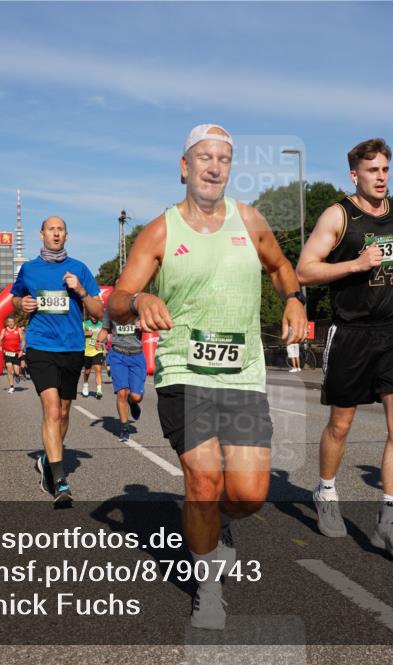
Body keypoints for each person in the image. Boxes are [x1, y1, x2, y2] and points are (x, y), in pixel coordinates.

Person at [108, 124, 307, 630]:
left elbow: (283, 267)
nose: (214, 167)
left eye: (223, 159)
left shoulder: (249, 220)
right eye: (204, 158)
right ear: (184, 166)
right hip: (183, 371)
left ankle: (219, 527)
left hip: (241, 375)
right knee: (202, 480)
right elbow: (114, 302)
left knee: (247, 494)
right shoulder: (160, 230)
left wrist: (294, 300)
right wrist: (140, 299)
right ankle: (207, 584)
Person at [296, 138, 393, 558]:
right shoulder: (339, 215)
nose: (382, 177)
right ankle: (326, 491)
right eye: (373, 171)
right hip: (350, 332)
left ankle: (389, 521)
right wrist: (355, 264)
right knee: (341, 425)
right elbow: (306, 269)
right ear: (355, 174)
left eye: (386, 169)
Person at [13, 215, 103, 506]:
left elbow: (98, 311)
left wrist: (80, 290)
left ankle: (47, 458)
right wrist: (21, 304)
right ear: (41, 234)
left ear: (67, 235)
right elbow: (15, 299)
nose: (56, 233)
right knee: (52, 410)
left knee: (64, 412)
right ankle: (59, 480)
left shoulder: (79, 269)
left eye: (60, 229)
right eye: (51, 229)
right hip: (40, 346)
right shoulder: (29, 269)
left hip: (73, 347)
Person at [102, 305, 146, 442]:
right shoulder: (110, 310)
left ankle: (132, 403)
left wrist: (144, 325)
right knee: (122, 392)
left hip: (137, 355)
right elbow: (105, 330)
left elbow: (152, 326)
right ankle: (124, 428)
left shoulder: (140, 308)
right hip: (117, 354)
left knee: (136, 397)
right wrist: (99, 341)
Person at [81, 314, 107, 399]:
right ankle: (85, 384)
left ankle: (99, 390)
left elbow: (105, 335)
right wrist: (85, 333)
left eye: (96, 316)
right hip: (87, 351)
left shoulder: (101, 324)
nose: (94, 318)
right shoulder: (85, 323)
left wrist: (103, 345)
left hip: (97, 350)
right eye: (92, 316)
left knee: (98, 369)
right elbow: (78, 334)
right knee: (87, 371)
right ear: (90, 316)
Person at [0, 315, 25, 394]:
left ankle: (17, 375)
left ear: (14, 322)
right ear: (7, 323)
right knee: (9, 368)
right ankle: (12, 386)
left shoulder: (18, 330)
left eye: (12, 322)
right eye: (9, 322)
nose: (11, 323)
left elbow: (23, 341)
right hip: (7, 352)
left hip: (16, 352)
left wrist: (21, 350)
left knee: (16, 371)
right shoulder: (4, 330)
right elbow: (0, 339)